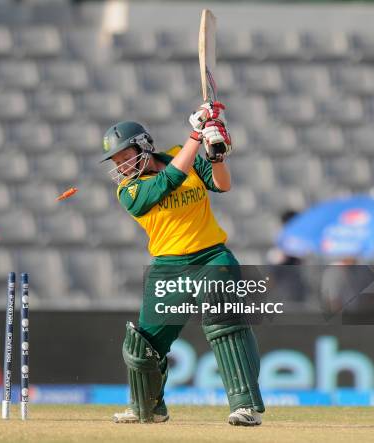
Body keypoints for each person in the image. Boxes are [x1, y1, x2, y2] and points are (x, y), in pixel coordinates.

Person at [101, 102, 264, 426]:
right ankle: (148, 408)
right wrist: (195, 134)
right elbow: (169, 180)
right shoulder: (129, 191)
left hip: (211, 256)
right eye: (117, 161)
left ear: (144, 146)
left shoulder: (180, 153)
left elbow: (222, 184)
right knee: (143, 345)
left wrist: (217, 156)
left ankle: (245, 406)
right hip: (168, 266)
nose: (121, 166)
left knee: (225, 322)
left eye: (125, 156)